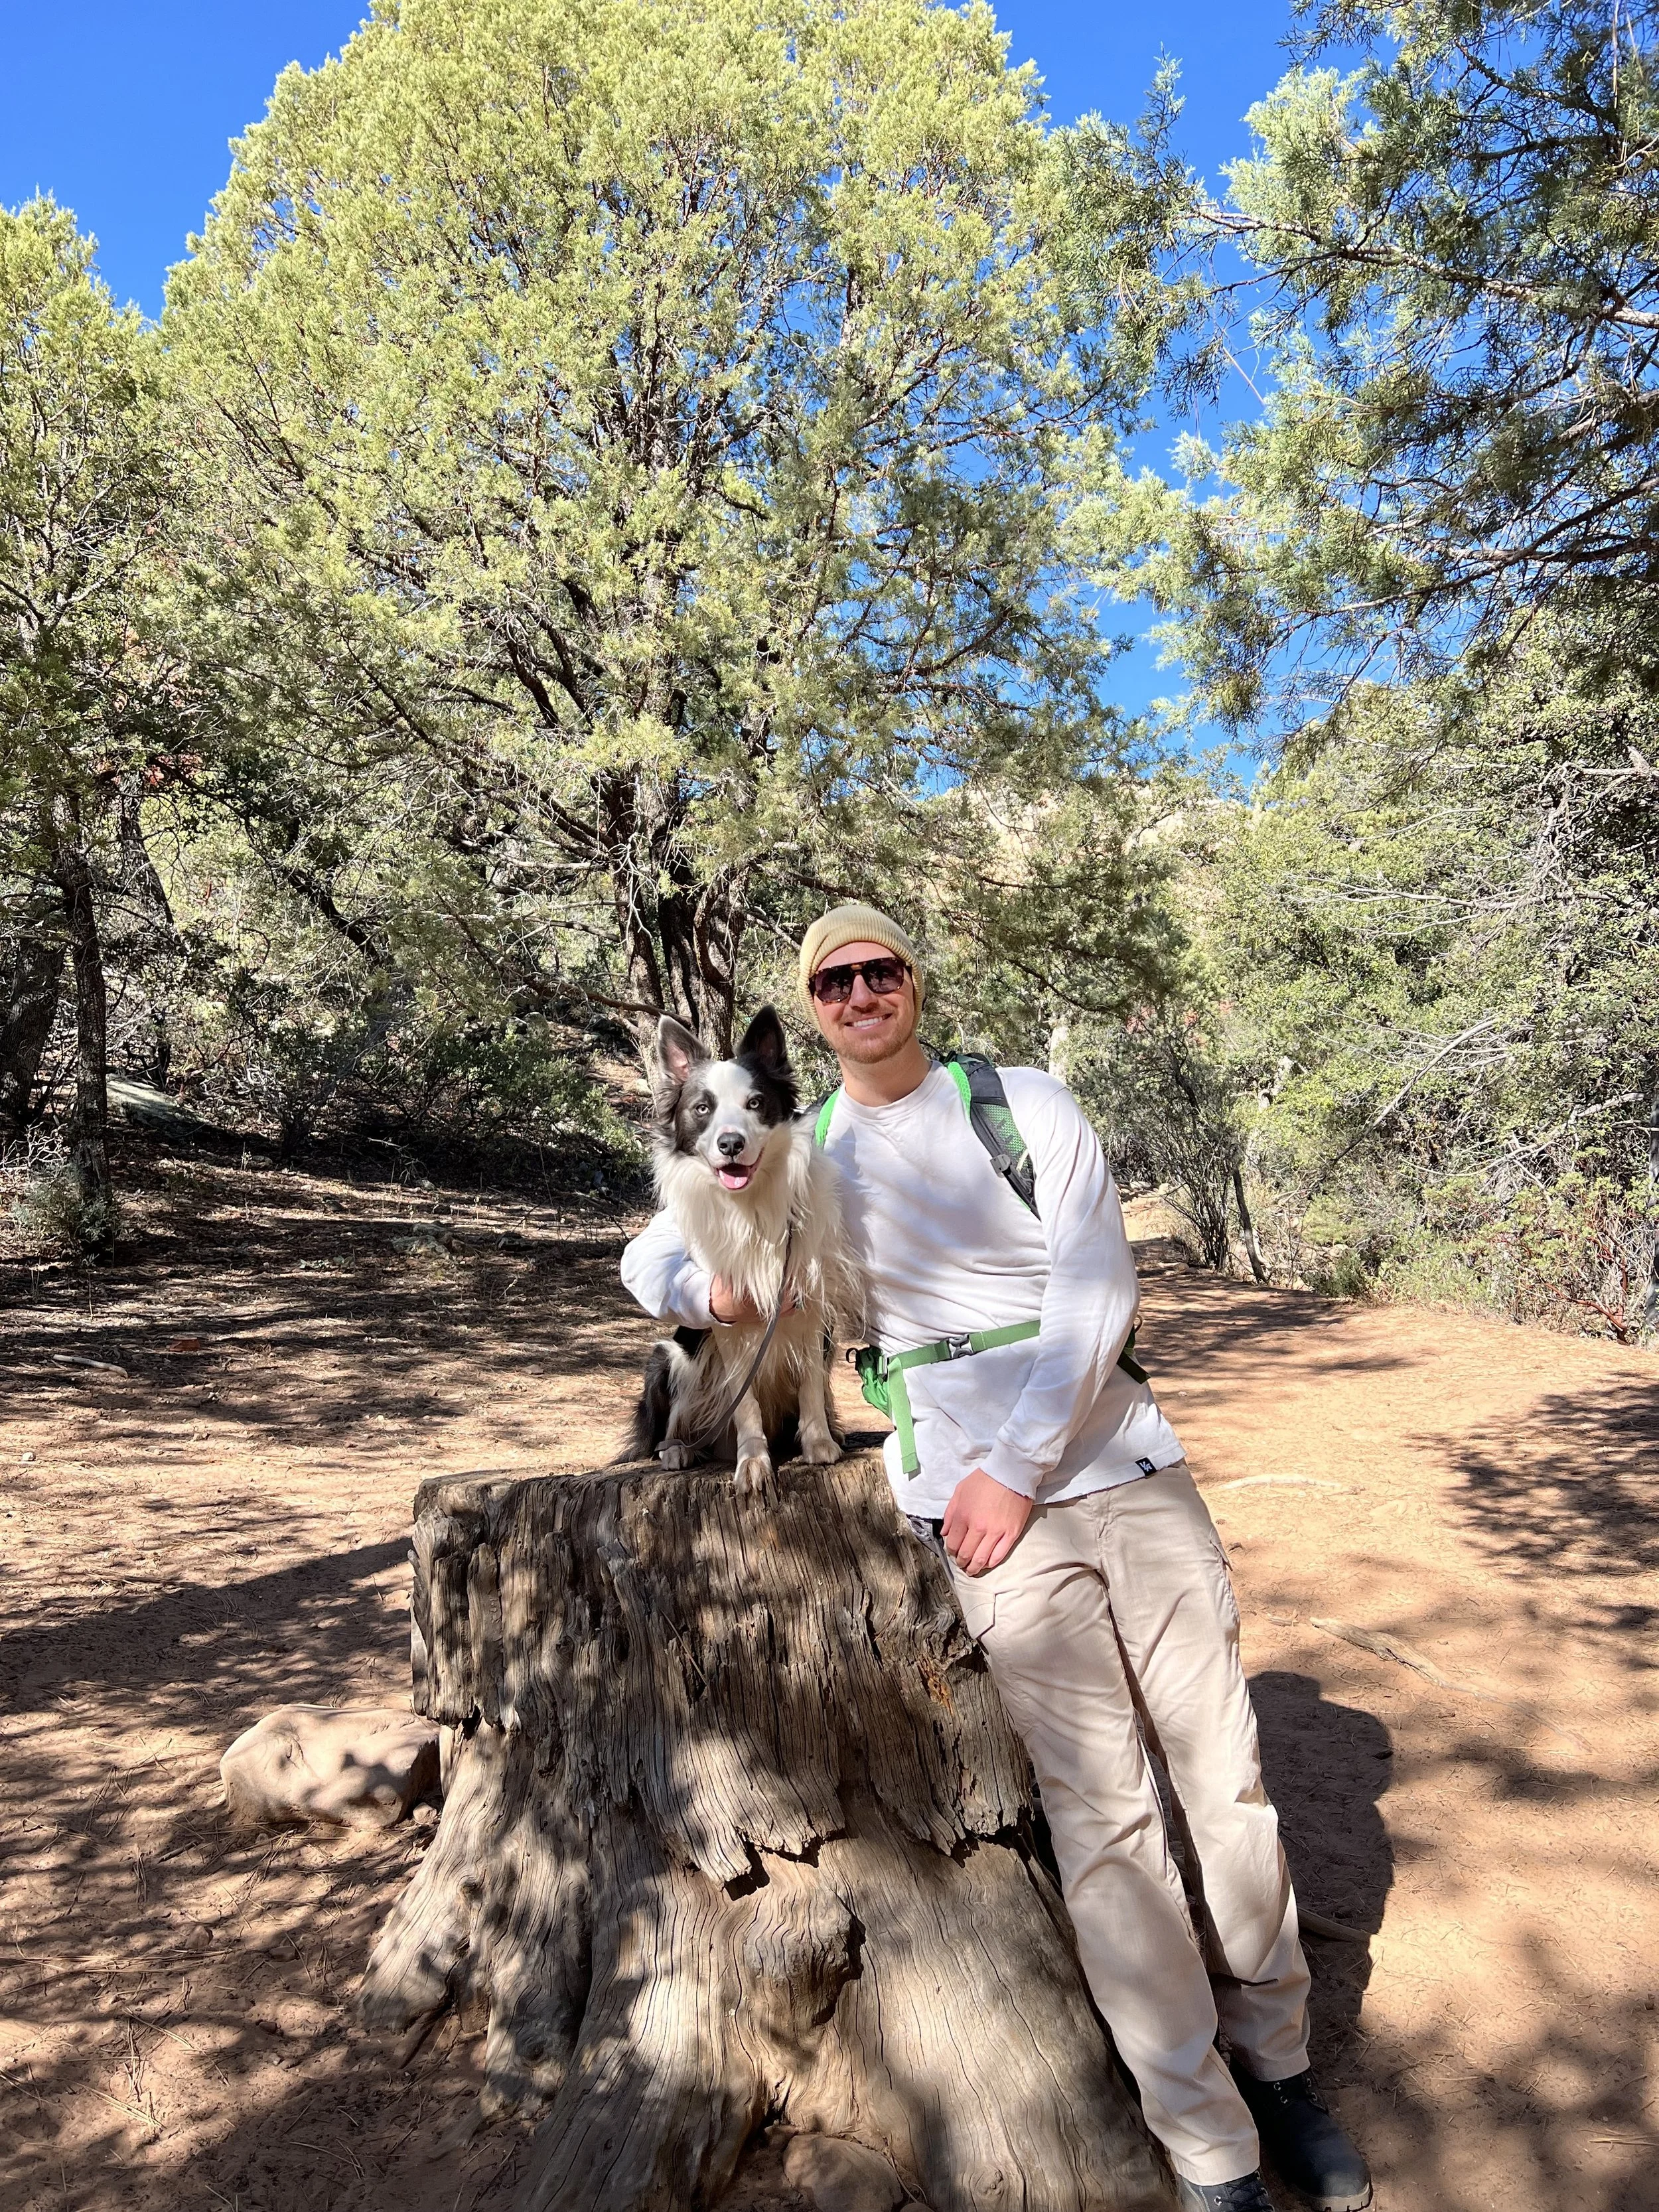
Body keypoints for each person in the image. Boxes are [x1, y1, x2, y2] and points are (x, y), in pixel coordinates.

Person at [620, 903, 1372, 2212]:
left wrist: (1015, 1466)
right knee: (1104, 1821)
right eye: (834, 980)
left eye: (880, 969)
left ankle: (1280, 2067)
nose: (861, 992)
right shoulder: (812, 1147)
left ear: (913, 981)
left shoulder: (1019, 1102)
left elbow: (1095, 1289)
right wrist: (705, 1294)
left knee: (1227, 1785)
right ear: (815, 1011)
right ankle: (1208, 2146)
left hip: (1117, 1469)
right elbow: (654, 1248)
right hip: (978, 1512)